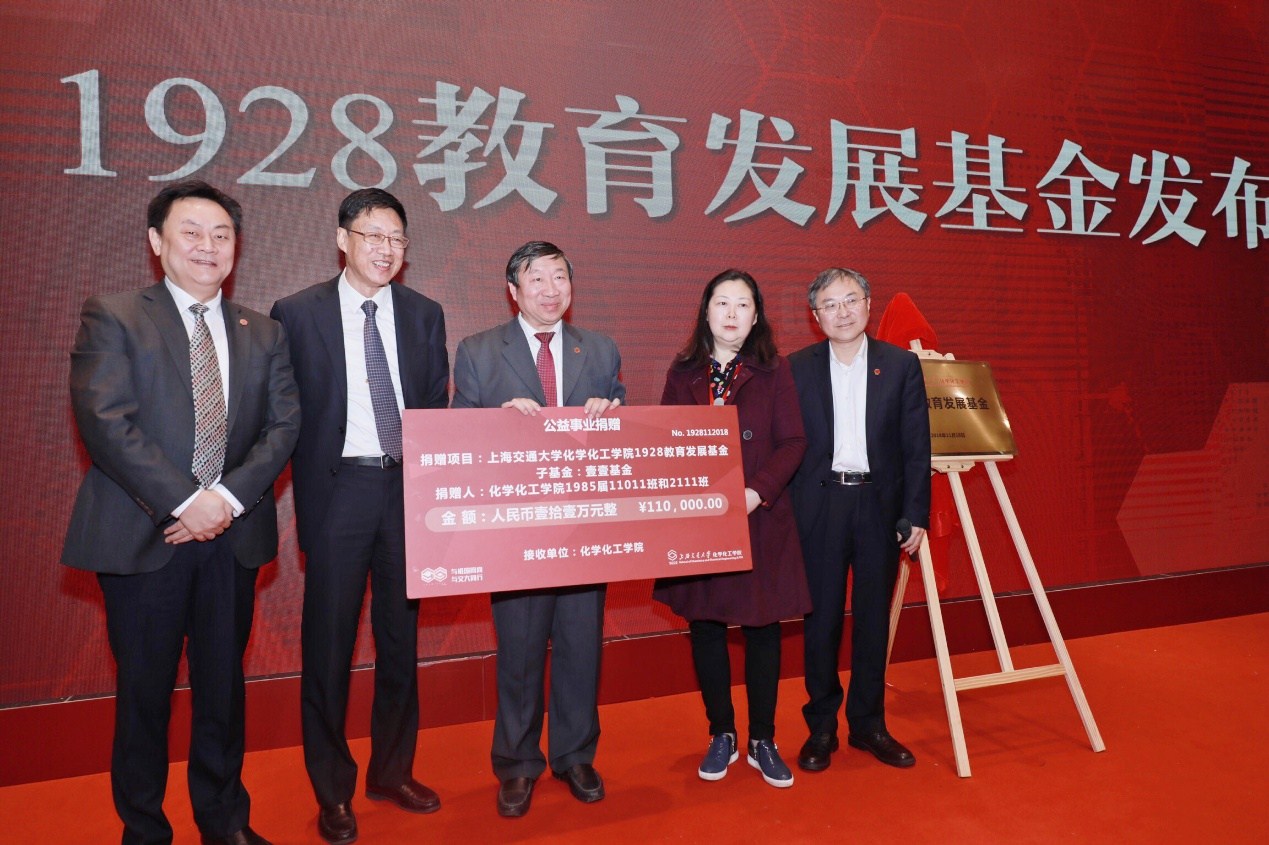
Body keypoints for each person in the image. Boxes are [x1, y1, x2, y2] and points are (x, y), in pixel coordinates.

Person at [62, 180, 300, 845]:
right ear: (156, 241)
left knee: (223, 690)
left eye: (221, 235)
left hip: (232, 536)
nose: (208, 246)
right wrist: (187, 501)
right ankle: (144, 830)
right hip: (147, 537)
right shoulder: (114, 315)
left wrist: (224, 501)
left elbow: (283, 426)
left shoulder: (264, 331)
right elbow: (105, 420)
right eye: (191, 232)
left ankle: (224, 823)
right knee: (144, 694)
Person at [270, 189, 449, 845]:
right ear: (342, 239)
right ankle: (333, 790)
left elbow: (434, 408)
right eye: (373, 234)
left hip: (405, 491)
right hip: (338, 489)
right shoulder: (297, 313)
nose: (386, 248)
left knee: (400, 641)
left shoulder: (424, 314)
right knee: (329, 644)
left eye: (397, 237)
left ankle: (392, 771)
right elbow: (284, 412)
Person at [451, 241, 624, 818]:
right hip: (516, 531)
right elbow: (456, 434)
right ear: (513, 291)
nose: (551, 290)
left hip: (583, 528)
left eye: (560, 278)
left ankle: (575, 755)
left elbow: (624, 430)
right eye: (537, 279)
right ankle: (517, 763)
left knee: (581, 646)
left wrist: (612, 414)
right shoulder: (478, 351)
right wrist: (494, 425)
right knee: (520, 651)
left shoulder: (599, 348)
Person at [653, 269, 810, 788]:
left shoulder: (775, 369)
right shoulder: (683, 372)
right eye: (722, 303)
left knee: (763, 628)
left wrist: (753, 493)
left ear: (756, 315)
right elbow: (666, 441)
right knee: (706, 626)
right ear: (706, 311)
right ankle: (721, 732)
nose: (732, 314)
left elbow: (794, 442)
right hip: (701, 521)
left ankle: (763, 738)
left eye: (743, 305)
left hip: (757, 516)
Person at [789, 267, 931, 773]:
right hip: (820, 507)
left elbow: (916, 445)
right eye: (829, 304)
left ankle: (869, 724)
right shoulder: (796, 368)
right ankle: (821, 727)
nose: (842, 312)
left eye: (850, 300)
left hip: (879, 507)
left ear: (868, 305)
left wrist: (916, 513)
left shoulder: (900, 365)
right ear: (815, 316)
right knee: (821, 621)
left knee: (873, 620)